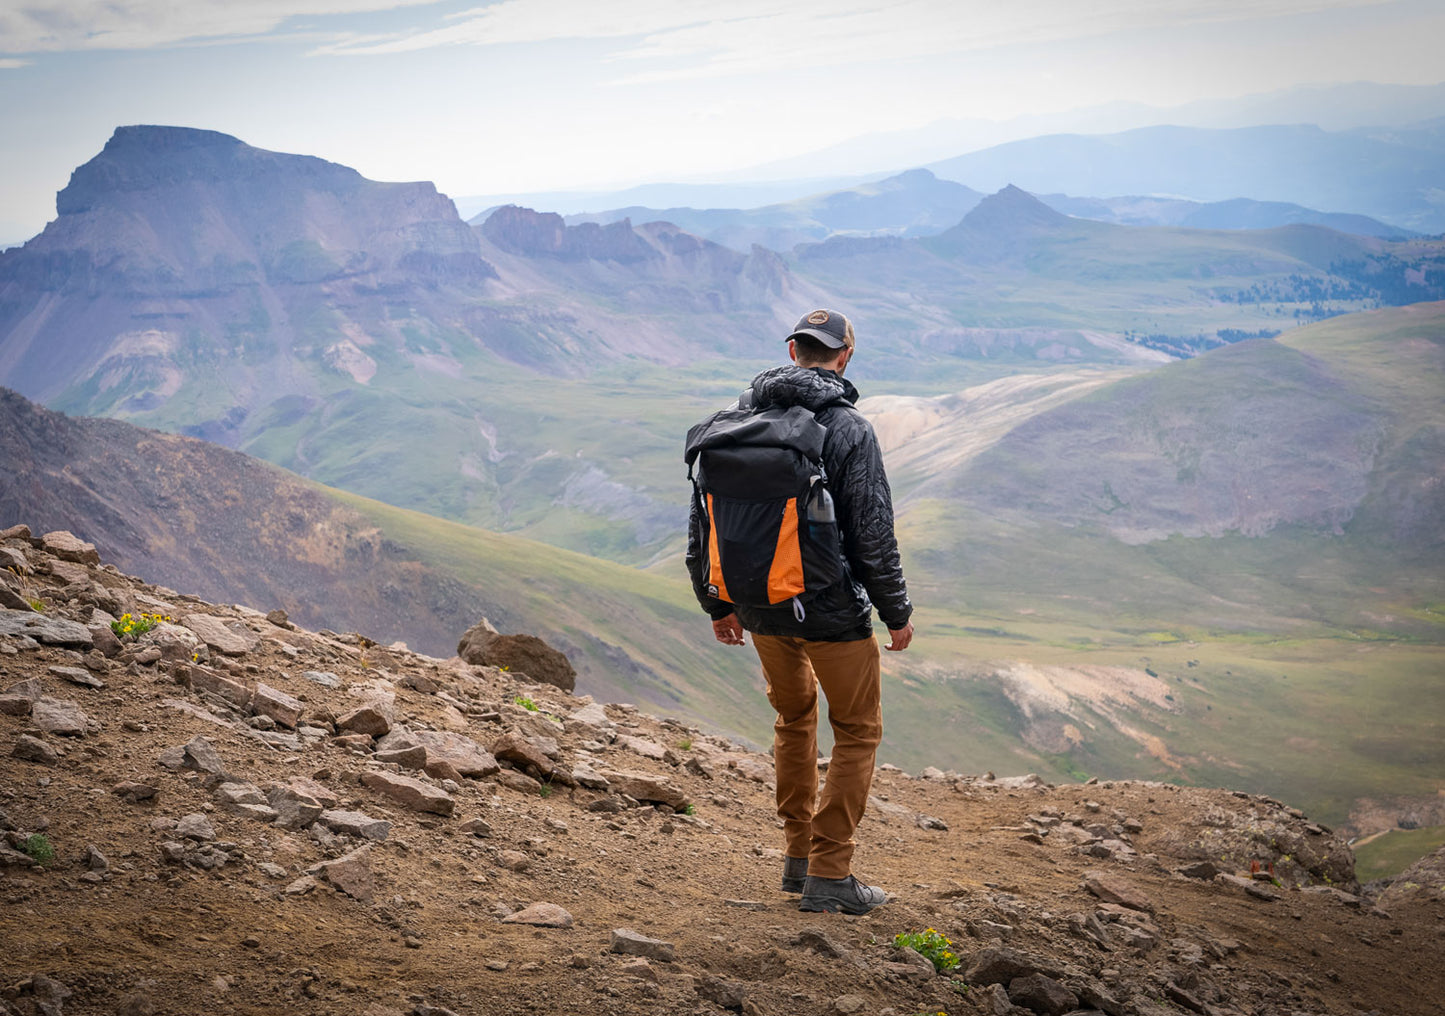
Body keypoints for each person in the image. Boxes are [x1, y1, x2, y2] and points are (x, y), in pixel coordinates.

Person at [686, 308, 914, 915]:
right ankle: (831, 872)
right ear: (843, 357)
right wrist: (896, 613)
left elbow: (702, 521)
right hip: (832, 612)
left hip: (761, 607)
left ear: (792, 352)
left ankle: (796, 857)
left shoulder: (735, 420)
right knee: (858, 731)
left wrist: (717, 602)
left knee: (793, 721)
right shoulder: (848, 429)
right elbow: (872, 533)